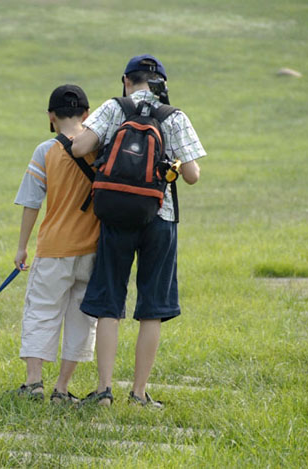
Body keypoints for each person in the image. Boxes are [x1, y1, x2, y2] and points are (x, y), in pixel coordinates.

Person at [71, 54, 206, 407]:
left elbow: (79, 146)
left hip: (115, 214)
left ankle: (103, 391)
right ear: (161, 83)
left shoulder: (115, 107)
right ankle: (139, 393)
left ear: (125, 80)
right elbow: (191, 176)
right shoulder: (173, 116)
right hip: (160, 216)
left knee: (109, 302)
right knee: (152, 307)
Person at [13, 84, 100, 403]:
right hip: (92, 250)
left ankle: (34, 383)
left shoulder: (45, 151)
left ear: (51, 116)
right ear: (87, 114)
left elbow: (32, 201)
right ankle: (62, 389)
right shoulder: (98, 147)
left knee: (41, 312)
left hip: (53, 249)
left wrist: (22, 247)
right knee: (81, 318)